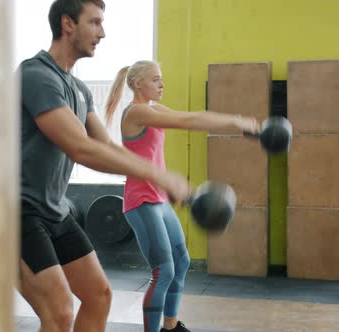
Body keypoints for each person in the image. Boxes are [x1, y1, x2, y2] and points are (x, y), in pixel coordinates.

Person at [18, 1, 192, 331]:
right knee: (58, 311)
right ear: (68, 24)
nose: (103, 32)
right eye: (94, 22)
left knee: (99, 295)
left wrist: (159, 177)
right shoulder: (36, 75)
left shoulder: (79, 89)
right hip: (18, 211)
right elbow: (81, 148)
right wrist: (157, 175)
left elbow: (106, 147)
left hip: (55, 212)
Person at [104, 60, 260, 332]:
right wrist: (236, 121)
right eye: (156, 79)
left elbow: (187, 117)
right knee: (163, 271)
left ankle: (171, 326)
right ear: (138, 83)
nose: (162, 84)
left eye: (161, 78)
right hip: (141, 202)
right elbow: (187, 120)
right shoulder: (136, 113)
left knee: (182, 261)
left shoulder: (152, 110)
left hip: (160, 200)